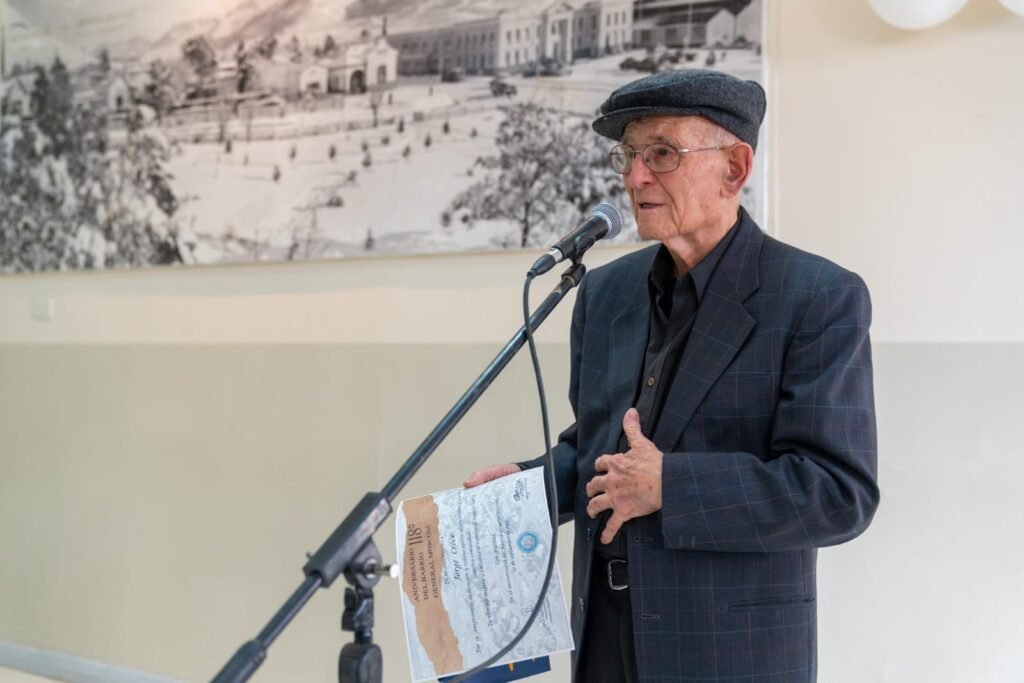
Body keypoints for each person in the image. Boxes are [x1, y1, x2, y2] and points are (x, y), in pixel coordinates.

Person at [464, 69, 879, 683]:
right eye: (629, 155)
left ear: (734, 168)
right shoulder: (604, 293)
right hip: (602, 639)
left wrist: (672, 486)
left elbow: (838, 493)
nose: (635, 177)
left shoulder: (816, 296)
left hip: (728, 653)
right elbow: (600, 449)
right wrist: (529, 488)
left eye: (662, 153)